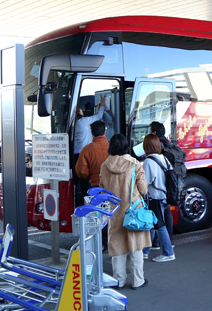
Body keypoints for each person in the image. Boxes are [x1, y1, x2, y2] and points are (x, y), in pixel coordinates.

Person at [99, 134, 150, 289]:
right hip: (133, 210)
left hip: (114, 210)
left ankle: (119, 280)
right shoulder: (134, 164)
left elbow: (102, 188)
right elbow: (143, 189)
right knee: (136, 246)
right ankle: (138, 280)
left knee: (117, 246)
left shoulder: (105, 166)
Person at [75, 120, 109, 250]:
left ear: (92, 133)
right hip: (112, 187)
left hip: (95, 187)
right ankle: (110, 242)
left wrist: (90, 176)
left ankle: (100, 243)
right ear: (104, 131)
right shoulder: (112, 146)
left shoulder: (86, 149)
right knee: (111, 213)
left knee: (96, 216)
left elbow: (81, 171)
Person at [141, 134, 176, 262]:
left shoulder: (148, 161)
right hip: (165, 196)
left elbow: (145, 182)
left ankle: (168, 252)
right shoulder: (164, 158)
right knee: (152, 223)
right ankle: (144, 251)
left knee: (159, 225)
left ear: (146, 146)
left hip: (155, 197)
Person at [72, 95, 107, 206]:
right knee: (86, 182)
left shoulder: (73, 124)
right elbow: (99, 116)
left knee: (78, 182)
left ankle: (79, 203)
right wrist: (102, 105)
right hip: (86, 154)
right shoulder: (84, 121)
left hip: (75, 154)